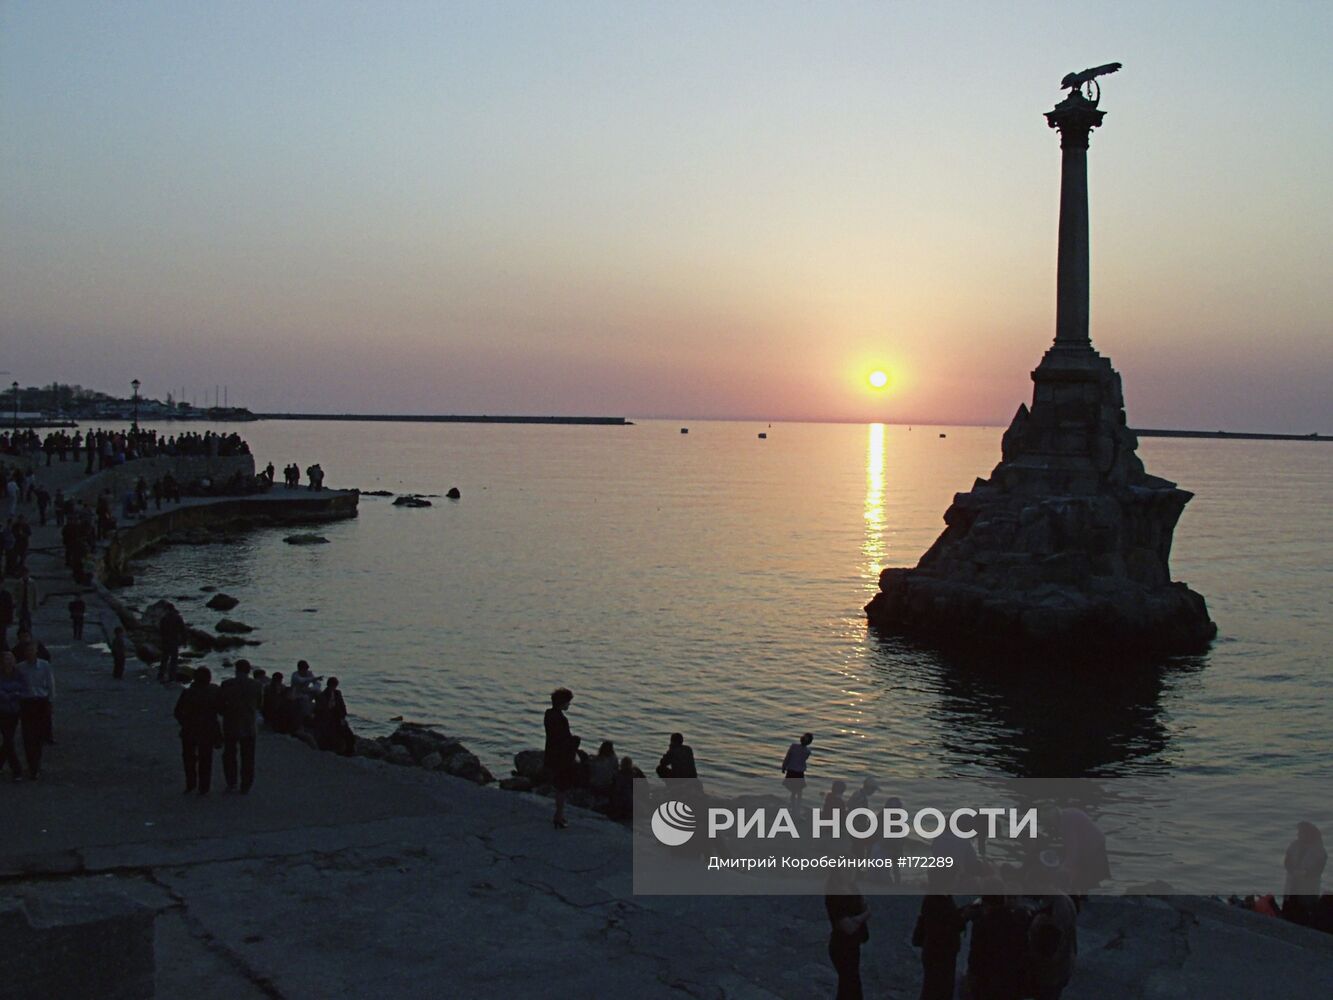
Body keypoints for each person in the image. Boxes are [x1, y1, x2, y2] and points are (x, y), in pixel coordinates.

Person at [963, 890, 1030, 1000]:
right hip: (1010, 979)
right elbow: (1023, 951)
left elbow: (975, 957)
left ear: (985, 903)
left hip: (987, 980)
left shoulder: (981, 925)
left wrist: (971, 978)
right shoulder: (1017, 922)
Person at [912, 868, 964, 1000]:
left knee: (933, 988)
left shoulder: (935, 898)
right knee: (938, 989)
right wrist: (962, 918)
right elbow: (944, 927)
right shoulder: (938, 900)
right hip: (940, 952)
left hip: (935, 950)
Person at [1039, 805, 1111, 899]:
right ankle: (1090, 893)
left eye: (1049, 822)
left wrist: (1064, 867)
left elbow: (1073, 850)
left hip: (1093, 845)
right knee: (1089, 876)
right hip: (1093, 842)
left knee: (1088, 875)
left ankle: (1088, 897)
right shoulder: (1066, 814)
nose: (1050, 825)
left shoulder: (1067, 822)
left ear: (1053, 818)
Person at [174, 666, 221, 795]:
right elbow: (221, 709)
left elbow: (177, 712)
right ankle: (204, 787)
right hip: (208, 729)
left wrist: (185, 722)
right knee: (206, 759)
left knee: (189, 758)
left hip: (189, 730)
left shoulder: (188, 693)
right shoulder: (214, 691)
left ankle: (190, 784)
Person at [218, 659, 263, 793]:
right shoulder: (257, 685)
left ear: (236, 670)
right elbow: (259, 705)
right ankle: (246, 785)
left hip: (231, 723)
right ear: (249, 670)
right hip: (248, 724)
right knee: (248, 757)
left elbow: (220, 705)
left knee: (229, 755)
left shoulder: (226, 684)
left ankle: (231, 782)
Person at [825, 871, 870, 1000]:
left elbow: (863, 904)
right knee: (850, 986)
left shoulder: (852, 887)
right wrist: (864, 916)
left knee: (848, 986)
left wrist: (857, 918)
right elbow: (848, 927)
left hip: (853, 945)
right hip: (841, 946)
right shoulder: (835, 895)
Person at [1026, 892, 1078, 1000]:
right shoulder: (1066, 899)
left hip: (1049, 974)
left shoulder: (1048, 915)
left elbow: (1047, 952)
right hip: (1064, 966)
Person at [17, 639, 54, 779]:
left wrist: (50, 701)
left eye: (32, 650)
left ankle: (36, 763)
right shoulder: (20, 668)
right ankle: (31, 764)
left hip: (41, 702)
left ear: (36, 651)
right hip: (26, 702)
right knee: (27, 734)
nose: (30, 653)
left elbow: (51, 684)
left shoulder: (45, 666)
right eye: (27, 651)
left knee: (38, 735)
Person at [544, 688, 578, 829]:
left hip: (551, 754)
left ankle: (559, 815)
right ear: (562, 702)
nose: (569, 705)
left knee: (559, 787)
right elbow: (564, 739)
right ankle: (558, 816)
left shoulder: (549, 714)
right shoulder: (561, 719)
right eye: (568, 702)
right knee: (561, 788)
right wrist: (576, 740)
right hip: (561, 758)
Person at [1283, 821, 1327, 924]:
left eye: (1301, 832)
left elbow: (1318, 869)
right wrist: (1292, 870)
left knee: (1303, 915)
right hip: (1291, 887)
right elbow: (1287, 861)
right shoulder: (1294, 845)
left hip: (1307, 890)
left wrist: (1305, 873)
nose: (1298, 834)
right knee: (1287, 912)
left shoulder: (1319, 851)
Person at [0, 651, 27, 781]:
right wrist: (12, 694)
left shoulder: (19, 674)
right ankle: (16, 770)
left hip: (14, 711)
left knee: (8, 740)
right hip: (2, 711)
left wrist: (8, 695)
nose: (8, 661)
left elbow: (23, 689)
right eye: (6, 659)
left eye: (10, 658)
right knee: (8, 740)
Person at [313, 676, 352, 754]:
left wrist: (342, 717)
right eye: (333, 686)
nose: (334, 687)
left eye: (335, 686)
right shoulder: (322, 696)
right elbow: (321, 710)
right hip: (327, 718)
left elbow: (342, 706)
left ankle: (348, 750)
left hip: (337, 716)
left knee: (347, 732)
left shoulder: (337, 693)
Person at [781, 732, 814, 808]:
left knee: (793, 789)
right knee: (798, 790)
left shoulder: (793, 747)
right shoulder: (807, 751)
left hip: (792, 770)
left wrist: (784, 766)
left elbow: (787, 758)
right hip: (799, 772)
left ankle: (793, 803)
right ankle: (796, 805)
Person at [158, 603, 187, 683]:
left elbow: (161, 631)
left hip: (165, 641)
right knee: (173, 660)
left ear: (167, 609)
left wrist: (161, 640)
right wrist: (184, 641)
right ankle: (171, 677)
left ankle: (161, 675)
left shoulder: (164, 618)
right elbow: (183, 630)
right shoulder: (178, 618)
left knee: (164, 659)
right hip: (174, 641)